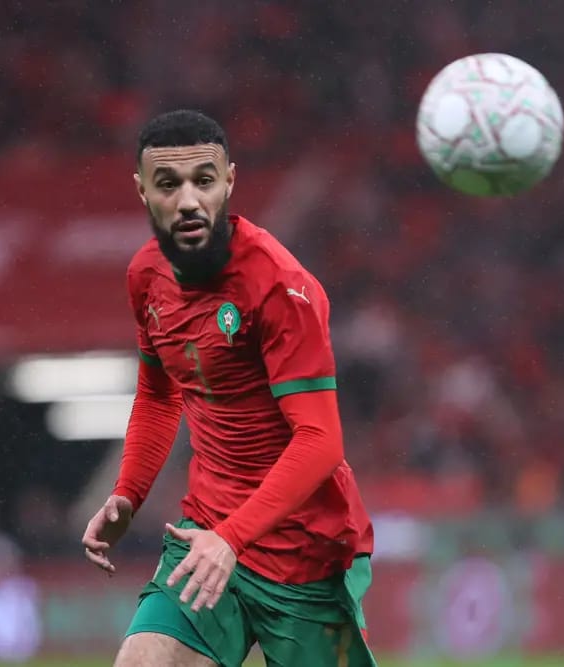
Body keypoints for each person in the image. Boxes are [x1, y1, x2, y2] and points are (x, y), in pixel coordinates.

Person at [81, 109, 376, 667]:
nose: (188, 200)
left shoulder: (280, 287)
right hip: (204, 534)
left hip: (304, 554)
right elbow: (159, 394)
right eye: (168, 184)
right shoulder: (146, 276)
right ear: (142, 190)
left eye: (204, 180)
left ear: (230, 182)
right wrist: (129, 493)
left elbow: (320, 440)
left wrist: (234, 538)